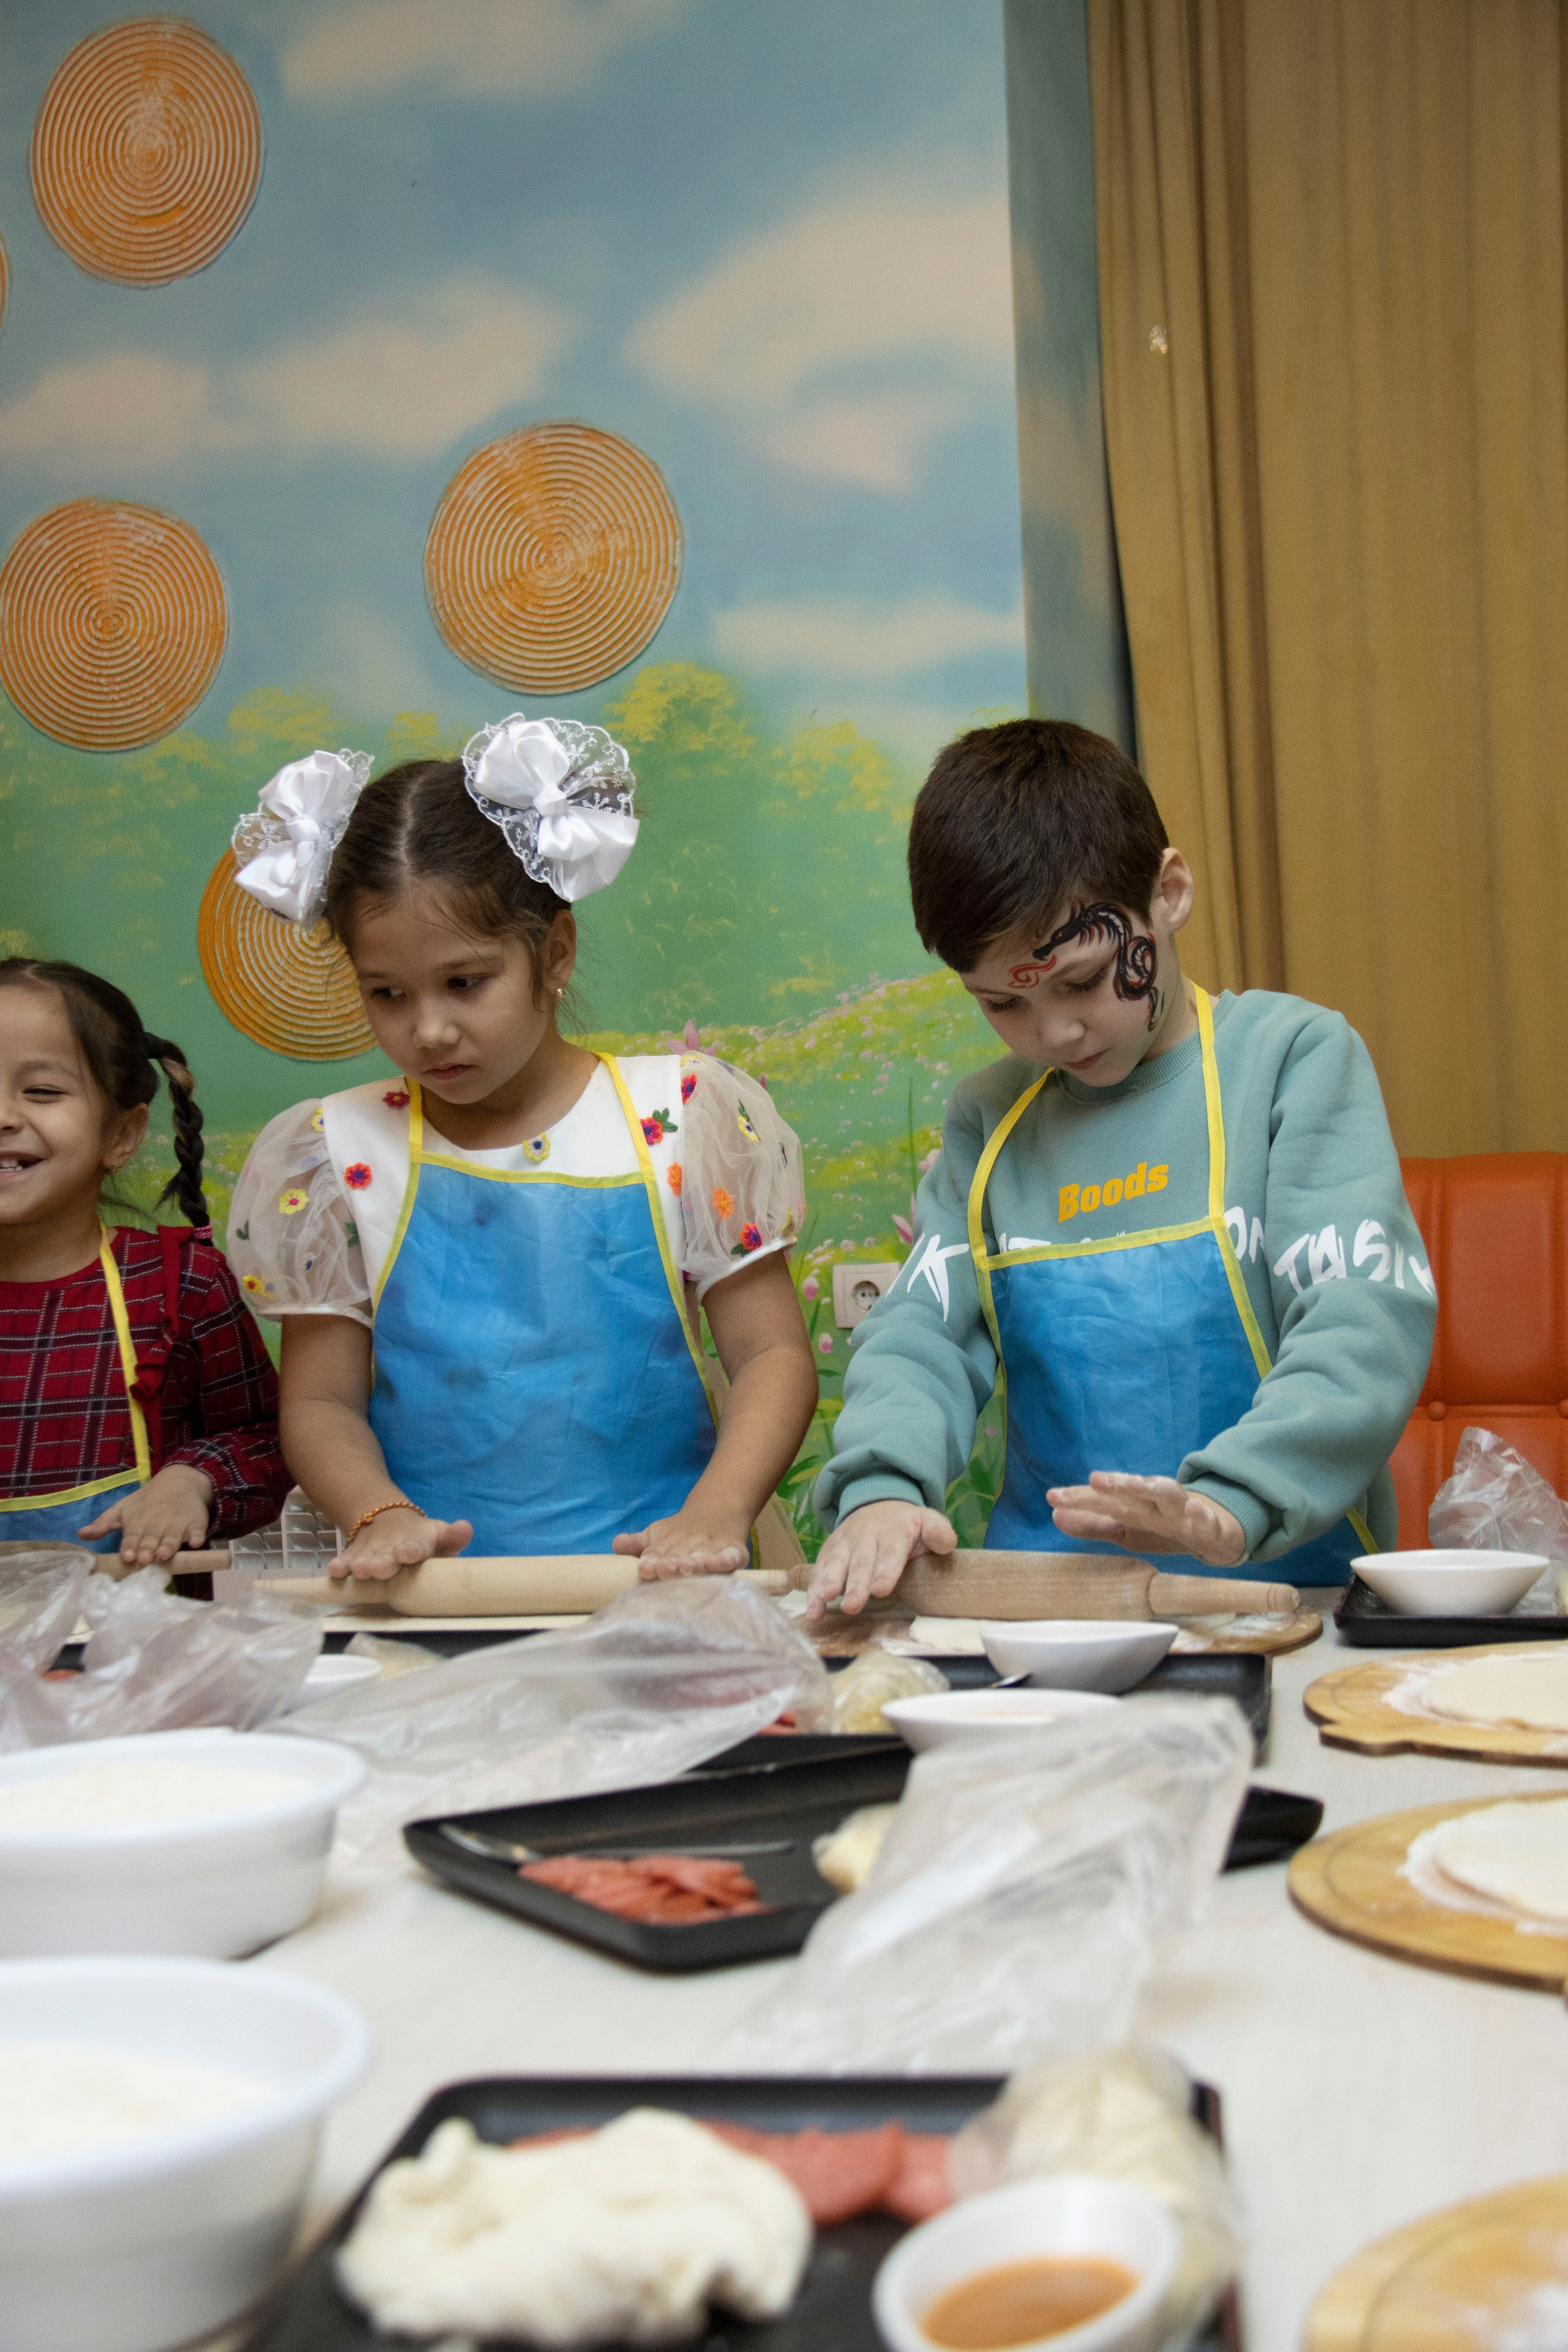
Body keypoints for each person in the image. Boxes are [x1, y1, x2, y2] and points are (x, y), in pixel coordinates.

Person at [809, 718, 1436, 1617]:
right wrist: (880, 1488)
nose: (1055, 1034)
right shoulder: (988, 1121)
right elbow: (921, 1336)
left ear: (1169, 893)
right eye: (1002, 1003)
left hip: (1286, 1601)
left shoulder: (1289, 1064)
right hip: (1048, 1612)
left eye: (1086, 979)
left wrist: (1237, 1496)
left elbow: (1362, 1318)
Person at [227, 715, 818, 1581]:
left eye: (466, 983)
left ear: (556, 952)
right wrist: (378, 1513)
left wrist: (716, 1512)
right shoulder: (334, 1154)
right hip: (432, 1600)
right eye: (387, 993)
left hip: (659, 1587)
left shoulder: (682, 1115)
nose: (429, 1029)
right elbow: (319, 1401)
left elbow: (770, 1356)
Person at [0, 959, 291, 1563]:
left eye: (42, 1092)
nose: (4, 1115)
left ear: (122, 1136)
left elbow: (267, 1440)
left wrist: (194, 1480)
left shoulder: (181, 1284)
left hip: (144, 1644)